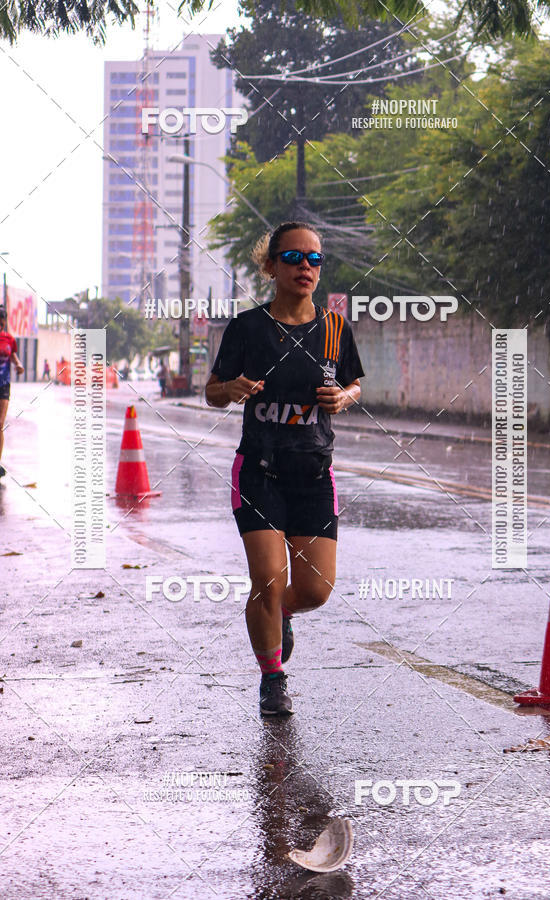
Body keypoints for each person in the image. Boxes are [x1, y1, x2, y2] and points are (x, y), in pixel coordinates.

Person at [205, 221, 364, 716]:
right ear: (270, 266)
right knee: (269, 579)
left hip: (314, 473)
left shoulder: (335, 328)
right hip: (260, 471)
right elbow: (212, 391)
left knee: (315, 590)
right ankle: (273, 679)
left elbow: (355, 386)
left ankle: (280, 614)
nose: (305, 267)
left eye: (314, 259)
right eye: (293, 257)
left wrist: (344, 397)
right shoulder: (248, 328)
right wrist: (229, 390)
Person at [0, 306, 25, 478]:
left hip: (3, 384)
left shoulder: (9, 339)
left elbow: (13, 357)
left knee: (0, 425)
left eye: (1, 322)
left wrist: (19, 365)